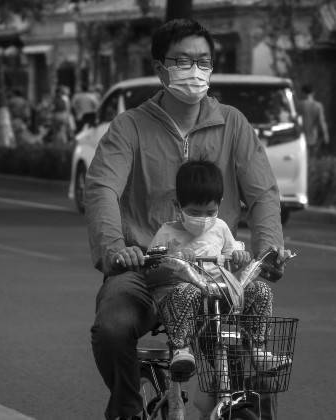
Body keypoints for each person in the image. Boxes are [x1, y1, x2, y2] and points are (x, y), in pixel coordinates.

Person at [84, 18, 290, 420]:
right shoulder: (129, 127)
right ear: (161, 69)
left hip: (216, 272)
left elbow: (263, 192)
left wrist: (268, 250)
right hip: (147, 269)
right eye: (183, 61)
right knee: (112, 328)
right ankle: (126, 408)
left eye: (204, 61)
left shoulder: (233, 123)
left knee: (258, 359)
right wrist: (114, 250)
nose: (195, 71)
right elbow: (102, 189)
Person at [148, 159, 292, 378]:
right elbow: (151, 271)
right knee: (189, 290)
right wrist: (174, 259)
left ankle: (258, 351)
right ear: (177, 206)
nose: (204, 219)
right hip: (179, 305)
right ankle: (181, 349)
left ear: (219, 205)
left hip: (216, 300)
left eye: (210, 212)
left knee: (260, 290)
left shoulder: (221, 228)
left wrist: (238, 257)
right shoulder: (167, 233)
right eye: (195, 213)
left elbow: (232, 259)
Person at [298, 84, 329, 158]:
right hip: (314, 136)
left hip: (302, 135)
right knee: (313, 157)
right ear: (313, 93)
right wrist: (326, 134)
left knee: (304, 158)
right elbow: (322, 121)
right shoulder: (318, 105)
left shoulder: (300, 105)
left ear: (303, 93)